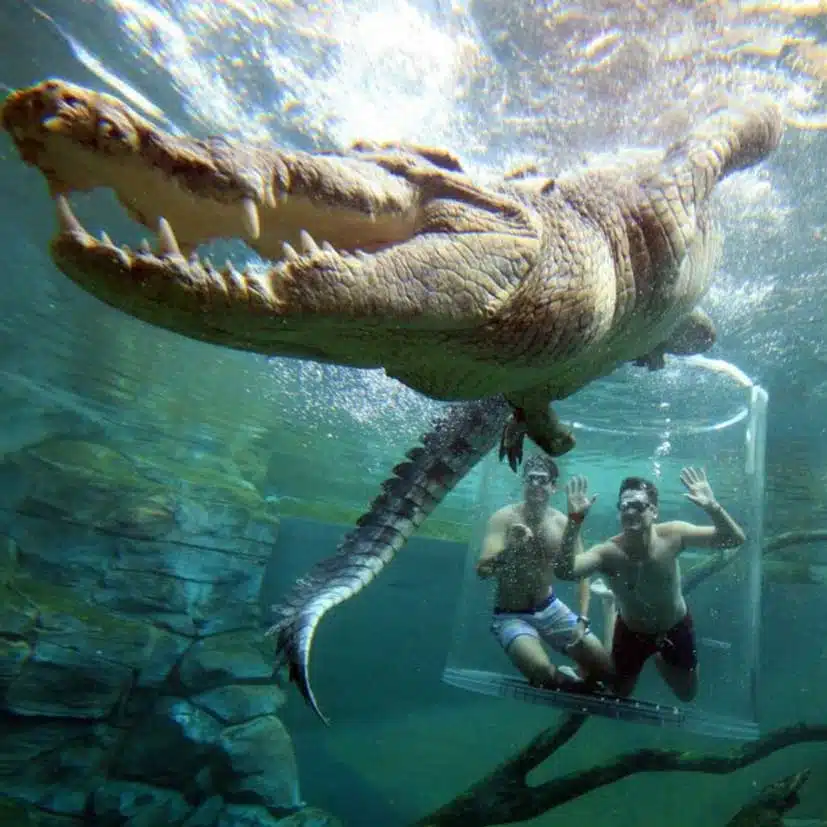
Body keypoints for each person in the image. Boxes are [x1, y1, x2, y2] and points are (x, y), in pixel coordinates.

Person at [556, 468, 746, 702]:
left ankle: (655, 651)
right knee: (620, 693)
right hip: (632, 631)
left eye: (637, 505)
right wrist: (573, 522)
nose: (629, 511)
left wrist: (713, 507)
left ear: (654, 511)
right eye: (624, 506)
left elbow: (734, 539)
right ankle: (610, 607)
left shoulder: (674, 535)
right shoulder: (608, 552)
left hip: (675, 626)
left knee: (687, 695)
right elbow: (565, 571)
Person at [476, 455, 614, 690]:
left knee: (604, 670)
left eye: (542, 480)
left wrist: (582, 618)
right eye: (531, 479)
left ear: (553, 486)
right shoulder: (503, 518)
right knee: (543, 674)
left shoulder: (562, 523)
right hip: (510, 614)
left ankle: (580, 672)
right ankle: (563, 679)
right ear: (524, 483)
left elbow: (582, 573)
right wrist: (511, 549)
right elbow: (483, 570)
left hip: (550, 607)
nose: (536, 485)